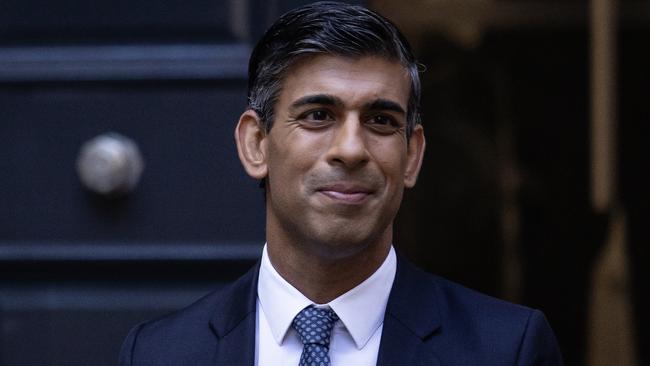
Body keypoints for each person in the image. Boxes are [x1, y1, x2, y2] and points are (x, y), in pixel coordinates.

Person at [118, 2, 563, 365]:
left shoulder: (506, 350)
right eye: (318, 116)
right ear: (256, 144)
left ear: (413, 155)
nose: (351, 149)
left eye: (380, 120)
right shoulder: (160, 354)